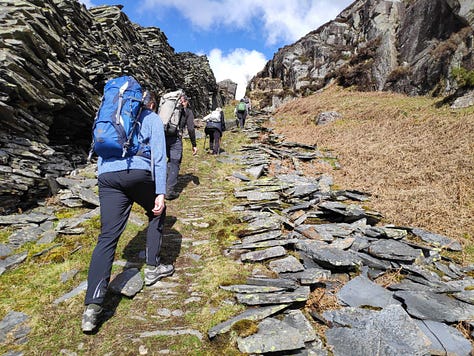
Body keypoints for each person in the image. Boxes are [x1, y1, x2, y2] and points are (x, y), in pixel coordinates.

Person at [82, 91, 173, 333]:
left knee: (107, 237)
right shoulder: (151, 117)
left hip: (107, 176)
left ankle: (92, 307)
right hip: (138, 173)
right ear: (151, 103)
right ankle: (153, 268)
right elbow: (159, 156)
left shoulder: (110, 115)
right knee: (156, 212)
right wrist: (161, 192)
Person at [165, 93, 197, 200]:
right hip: (175, 139)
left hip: (162, 136)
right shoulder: (187, 111)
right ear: (186, 101)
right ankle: (169, 191)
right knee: (174, 162)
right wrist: (194, 144)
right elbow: (191, 129)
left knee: (164, 161)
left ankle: (157, 187)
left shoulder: (167, 108)